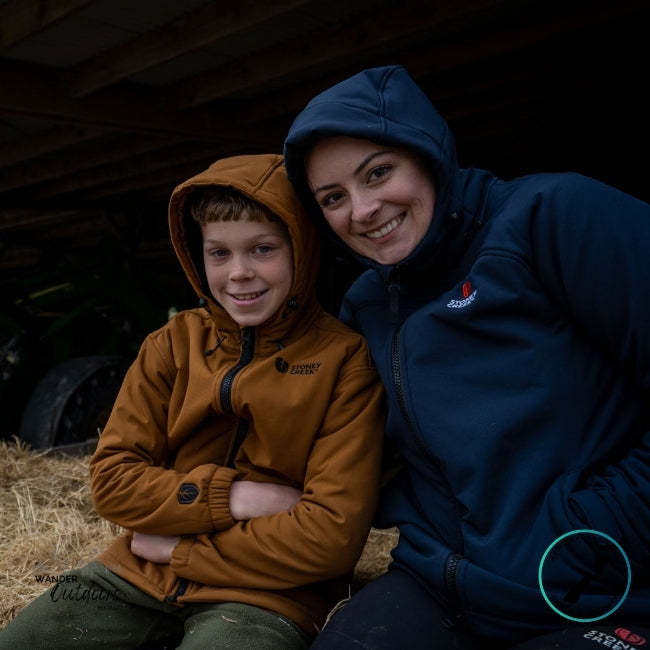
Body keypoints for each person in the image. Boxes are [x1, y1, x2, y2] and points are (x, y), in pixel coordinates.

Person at [283, 65, 650, 648]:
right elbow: (352, 452)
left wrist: (599, 525)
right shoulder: (368, 303)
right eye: (333, 198)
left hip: (600, 586)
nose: (362, 209)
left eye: (378, 172)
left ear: (427, 152)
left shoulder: (552, 216)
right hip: (439, 584)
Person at [0, 154, 385, 649]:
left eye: (263, 248)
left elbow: (328, 539)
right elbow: (113, 482)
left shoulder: (344, 362)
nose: (239, 273)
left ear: (302, 248)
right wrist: (234, 498)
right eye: (218, 253)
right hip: (135, 575)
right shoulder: (171, 344)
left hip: (268, 595)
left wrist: (178, 549)